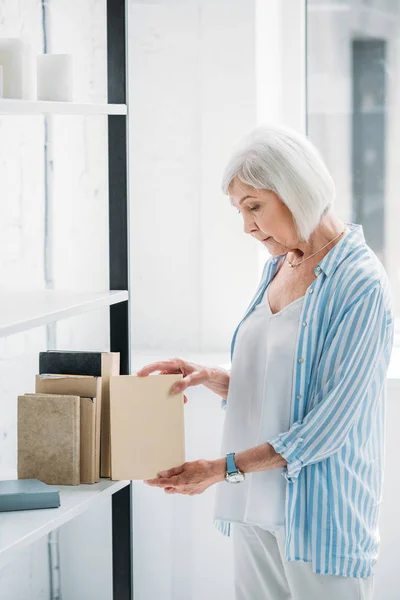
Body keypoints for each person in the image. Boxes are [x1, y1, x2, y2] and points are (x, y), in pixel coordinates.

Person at [138, 124, 394, 600]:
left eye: (254, 206)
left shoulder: (361, 284)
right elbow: (289, 383)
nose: (247, 227)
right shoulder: (278, 266)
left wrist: (221, 469)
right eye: (240, 211)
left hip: (321, 519)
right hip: (255, 506)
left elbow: (329, 424)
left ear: (297, 191)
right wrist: (216, 379)